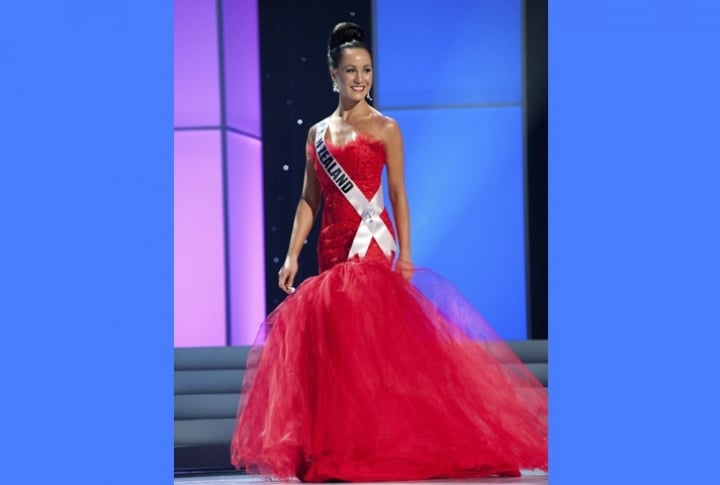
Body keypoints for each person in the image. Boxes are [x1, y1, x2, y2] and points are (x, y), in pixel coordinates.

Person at [230, 21, 548, 482]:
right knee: (337, 356)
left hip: (371, 252)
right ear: (332, 76)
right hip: (330, 254)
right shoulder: (316, 135)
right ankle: (335, 447)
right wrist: (292, 254)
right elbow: (308, 200)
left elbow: (398, 194)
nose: (360, 79)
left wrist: (406, 253)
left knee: (371, 354)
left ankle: (375, 447)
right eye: (351, 71)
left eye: (367, 70)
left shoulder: (387, 129)